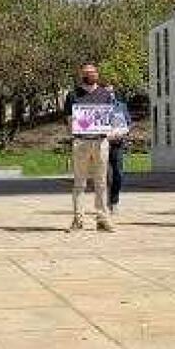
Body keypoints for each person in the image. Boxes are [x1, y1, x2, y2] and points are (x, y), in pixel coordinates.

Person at [64, 63, 117, 232]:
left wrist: (112, 131)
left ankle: (102, 219)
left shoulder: (105, 94)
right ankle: (78, 219)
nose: (92, 74)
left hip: (101, 142)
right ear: (82, 75)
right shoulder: (73, 95)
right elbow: (70, 120)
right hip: (81, 142)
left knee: (101, 182)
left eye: (94, 71)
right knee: (79, 182)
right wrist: (78, 127)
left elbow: (111, 118)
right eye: (88, 72)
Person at [104, 86, 130, 215]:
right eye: (107, 91)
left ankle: (114, 200)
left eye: (111, 91)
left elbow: (128, 124)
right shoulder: (98, 107)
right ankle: (106, 202)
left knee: (118, 174)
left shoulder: (121, 106)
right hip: (102, 143)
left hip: (117, 144)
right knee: (103, 174)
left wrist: (123, 132)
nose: (110, 94)